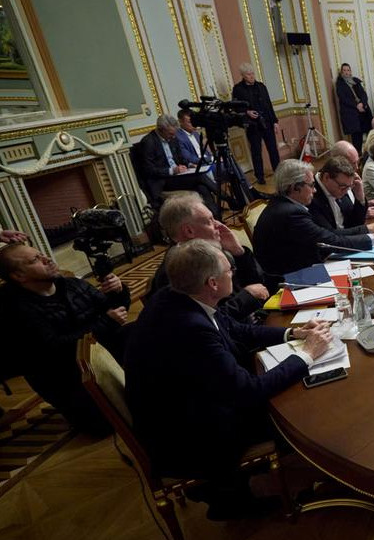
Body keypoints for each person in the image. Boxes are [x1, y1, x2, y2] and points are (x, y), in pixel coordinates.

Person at [125, 239, 334, 519]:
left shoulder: (176, 295)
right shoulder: (189, 328)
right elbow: (248, 392)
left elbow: (236, 329)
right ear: (212, 283)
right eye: (229, 270)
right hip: (191, 436)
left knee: (297, 392)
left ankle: (300, 467)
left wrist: (294, 334)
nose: (233, 274)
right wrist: (307, 354)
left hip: (190, 403)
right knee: (301, 407)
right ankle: (243, 493)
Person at [0, 244, 129, 435]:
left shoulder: (72, 285)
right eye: (35, 260)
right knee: (109, 425)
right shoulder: (14, 310)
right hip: (67, 378)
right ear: (19, 276)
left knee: (138, 334)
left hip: (102, 358)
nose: (47, 259)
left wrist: (118, 291)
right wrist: (106, 323)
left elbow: (114, 313)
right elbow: (56, 349)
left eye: (41, 254)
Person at [251, 160, 374, 280]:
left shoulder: (283, 205)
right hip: (291, 279)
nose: (314, 190)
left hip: (302, 267)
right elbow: (330, 241)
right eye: (311, 185)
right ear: (295, 188)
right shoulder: (291, 214)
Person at [148, 194, 269, 321]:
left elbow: (260, 283)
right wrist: (246, 297)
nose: (219, 225)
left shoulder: (214, 250)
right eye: (210, 221)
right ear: (189, 231)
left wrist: (239, 253)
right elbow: (210, 321)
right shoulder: (176, 272)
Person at [138, 115, 220, 218]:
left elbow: (180, 158)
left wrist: (189, 165)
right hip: (163, 180)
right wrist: (171, 171)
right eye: (170, 134)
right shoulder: (148, 142)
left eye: (174, 134)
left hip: (178, 176)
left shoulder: (173, 138)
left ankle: (216, 217)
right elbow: (148, 170)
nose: (173, 137)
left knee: (202, 187)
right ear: (161, 130)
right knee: (199, 176)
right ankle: (224, 196)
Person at [307, 156, 374, 236]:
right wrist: (369, 228)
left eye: (349, 187)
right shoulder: (310, 195)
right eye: (343, 187)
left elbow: (354, 223)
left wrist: (360, 198)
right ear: (326, 177)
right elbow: (330, 235)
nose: (346, 191)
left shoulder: (342, 185)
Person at [231, 63, 280, 184]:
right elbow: (235, 107)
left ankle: (279, 173)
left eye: (252, 73)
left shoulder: (261, 86)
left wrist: (275, 122)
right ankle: (260, 176)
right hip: (253, 125)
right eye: (248, 74)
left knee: (273, 149)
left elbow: (269, 105)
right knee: (256, 151)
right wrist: (247, 112)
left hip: (267, 122)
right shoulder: (238, 89)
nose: (252, 76)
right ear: (243, 75)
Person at [335, 63, 371, 151]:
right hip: (351, 113)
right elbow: (344, 98)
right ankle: (358, 154)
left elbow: (363, 94)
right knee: (356, 136)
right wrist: (356, 106)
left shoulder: (356, 81)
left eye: (348, 70)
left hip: (363, 110)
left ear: (350, 71)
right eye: (344, 70)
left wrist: (362, 103)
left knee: (369, 132)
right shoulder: (340, 84)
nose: (346, 72)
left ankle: (369, 153)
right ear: (341, 72)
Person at [176, 109, 214, 177]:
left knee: (228, 164)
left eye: (194, 121)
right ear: (181, 122)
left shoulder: (195, 133)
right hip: (197, 165)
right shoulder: (178, 137)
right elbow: (189, 158)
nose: (194, 124)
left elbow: (204, 150)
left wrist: (212, 157)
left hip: (207, 161)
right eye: (190, 122)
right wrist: (210, 159)